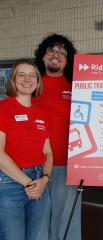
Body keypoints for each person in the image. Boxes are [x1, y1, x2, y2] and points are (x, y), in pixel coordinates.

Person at [34, 34, 81, 240]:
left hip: (67, 164)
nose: (56, 55)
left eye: (62, 53)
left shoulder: (77, 87)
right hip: (34, 164)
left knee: (66, 219)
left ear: (68, 60)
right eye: (51, 51)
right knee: (37, 217)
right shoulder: (31, 84)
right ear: (42, 57)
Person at [0, 59, 53, 240]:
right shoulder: (3, 108)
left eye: (32, 75)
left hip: (39, 182)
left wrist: (44, 180)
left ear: (38, 81)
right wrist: (28, 183)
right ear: (13, 80)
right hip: (10, 183)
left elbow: (48, 152)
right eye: (21, 75)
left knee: (38, 236)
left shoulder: (42, 113)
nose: (27, 79)